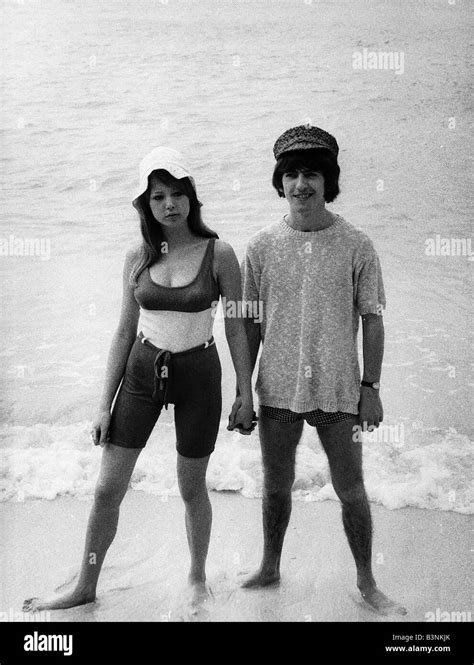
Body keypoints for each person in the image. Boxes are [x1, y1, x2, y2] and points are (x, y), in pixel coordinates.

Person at [23, 147, 255, 612]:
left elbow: (236, 326)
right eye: (158, 197)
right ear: (146, 205)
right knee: (108, 487)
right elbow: (124, 331)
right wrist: (101, 405)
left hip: (198, 377)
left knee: (192, 487)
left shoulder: (220, 253)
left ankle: (195, 579)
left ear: (191, 196)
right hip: (140, 375)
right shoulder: (137, 256)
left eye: (177, 194)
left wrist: (244, 392)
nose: (169, 204)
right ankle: (85, 584)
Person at [230, 125, 406, 615]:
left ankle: (368, 581)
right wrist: (244, 392)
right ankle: (269, 566)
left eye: (311, 173)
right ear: (279, 183)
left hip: (339, 390)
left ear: (329, 182)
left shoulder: (356, 244)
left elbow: (372, 319)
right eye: (291, 174)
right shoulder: (261, 246)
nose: (301, 184)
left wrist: (371, 387)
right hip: (278, 390)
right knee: (274, 485)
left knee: (351, 489)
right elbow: (248, 325)